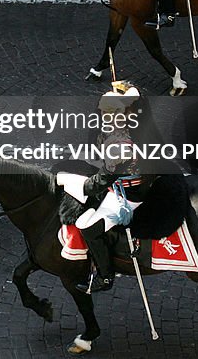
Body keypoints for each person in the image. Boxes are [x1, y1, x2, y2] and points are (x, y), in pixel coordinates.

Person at [62, 82, 154, 293]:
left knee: (88, 228)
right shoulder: (125, 124)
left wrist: (77, 185)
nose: (101, 115)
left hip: (128, 193)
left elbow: (99, 182)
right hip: (121, 178)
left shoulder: (119, 144)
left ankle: (105, 276)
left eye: (104, 112)